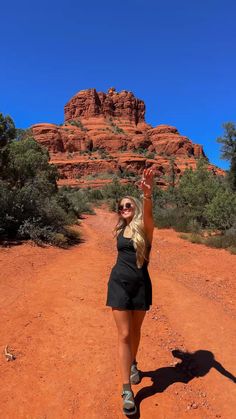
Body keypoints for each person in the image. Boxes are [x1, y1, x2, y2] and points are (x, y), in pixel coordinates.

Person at [106, 167, 155, 416]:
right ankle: (127, 390)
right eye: (121, 207)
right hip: (118, 285)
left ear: (134, 207)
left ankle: (133, 362)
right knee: (124, 334)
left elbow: (148, 216)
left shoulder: (145, 230)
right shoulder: (119, 230)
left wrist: (147, 195)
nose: (124, 209)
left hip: (141, 286)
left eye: (128, 206)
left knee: (136, 332)